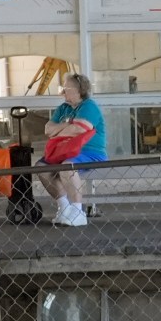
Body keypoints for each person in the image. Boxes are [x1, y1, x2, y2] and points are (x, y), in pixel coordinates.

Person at [42, 74, 105, 227]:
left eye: (66, 88)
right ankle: (64, 207)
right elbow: (47, 129)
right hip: (63, 150)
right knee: (42, 169)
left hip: (89, 152)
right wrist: (67, 125)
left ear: (78, 90)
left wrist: (59, 130)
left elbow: (79, 129)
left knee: (66, 168)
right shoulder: (63, 108)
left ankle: (78, 211)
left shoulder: (89, 106)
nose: (62, 92)